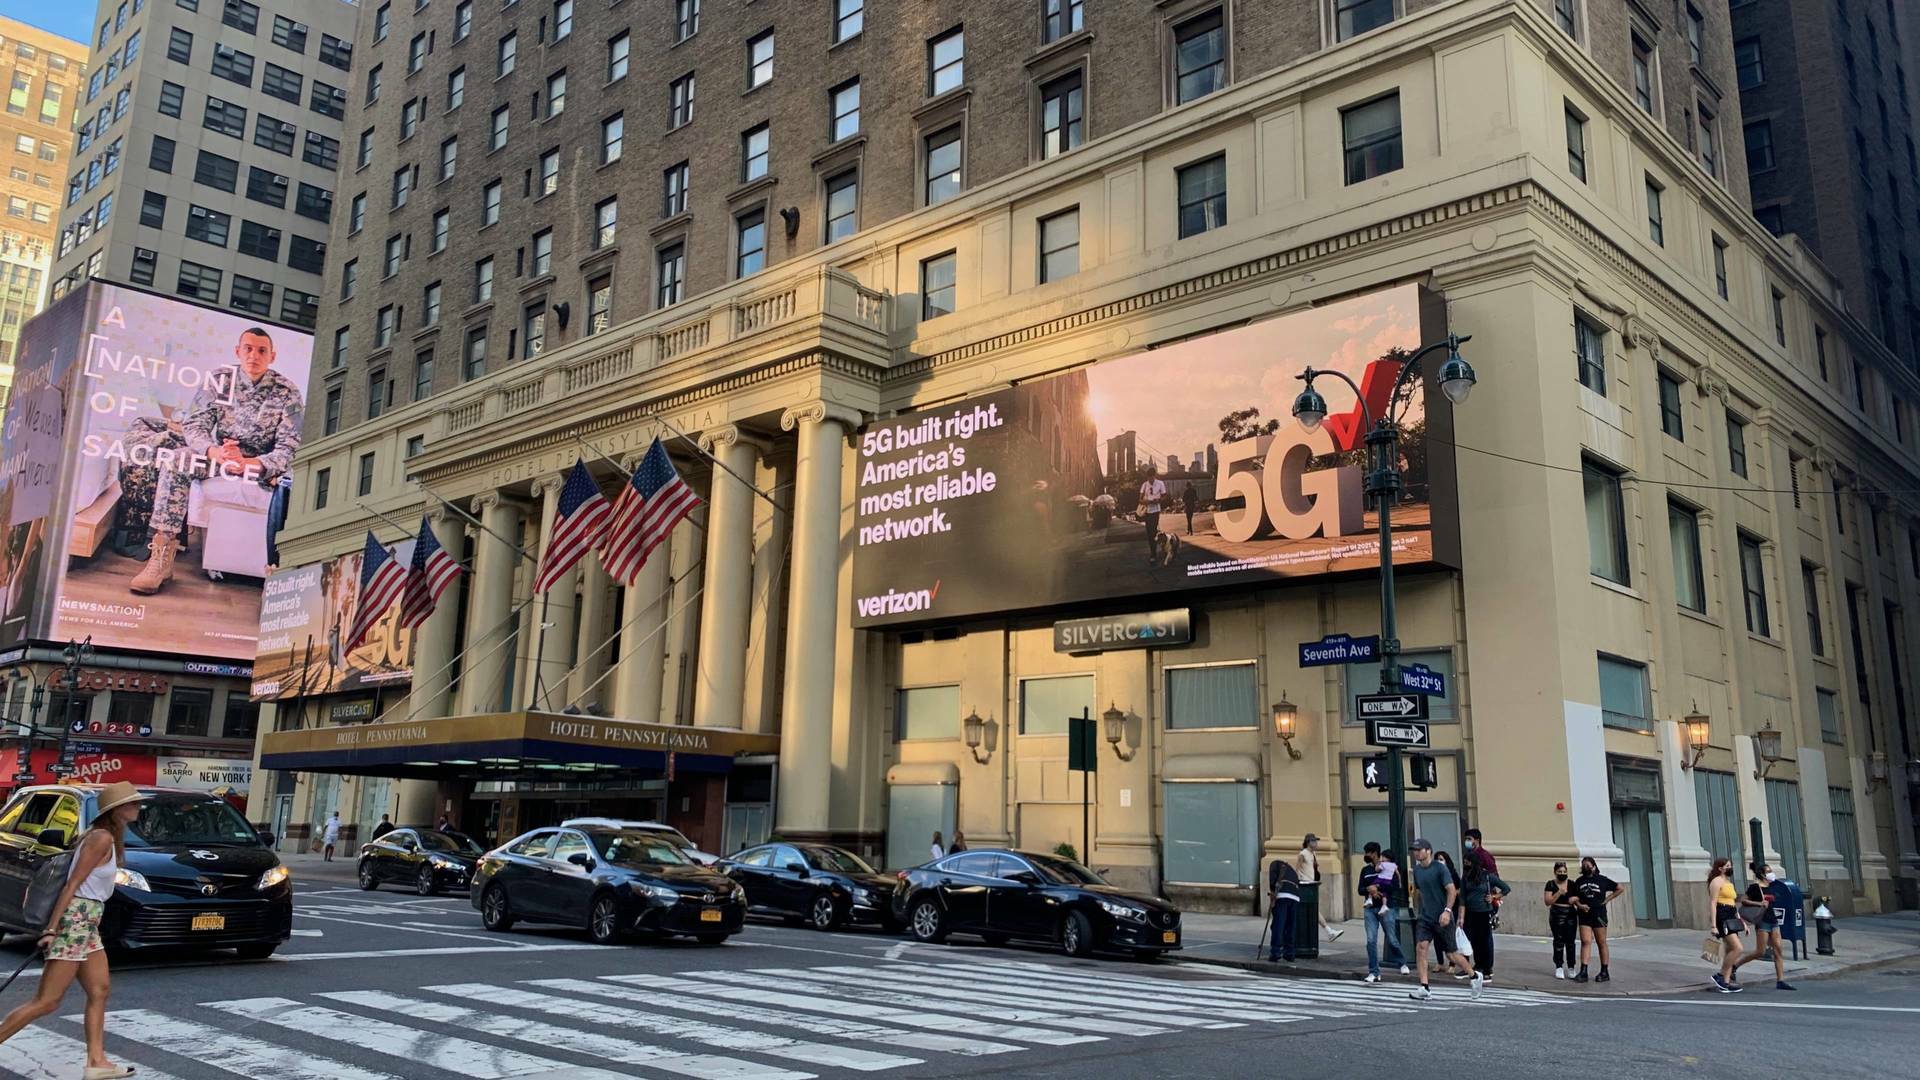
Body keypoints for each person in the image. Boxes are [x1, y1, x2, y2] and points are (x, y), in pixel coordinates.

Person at [129, 327, 304, 595]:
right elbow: (195, 424)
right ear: (237, 351)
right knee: (179, 459)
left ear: (272, 356)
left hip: (258, 466)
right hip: (220, 455)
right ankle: (161, 557)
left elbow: (289, 447)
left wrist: (250, 463)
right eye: (247, 348)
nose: (253, 356)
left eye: (261, 351)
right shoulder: (220, 379)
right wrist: (214, 452)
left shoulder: (287, 392)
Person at [0, 780, 149, 1079]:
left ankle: (97, 1062)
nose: (138, 807)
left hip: (88, 921)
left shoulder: (106, 837)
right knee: (47, 1001)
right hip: (77, 919)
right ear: (117, 810)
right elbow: (72, 885)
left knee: (99, 989)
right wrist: (52, 927)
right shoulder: (101, 839)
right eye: (133, 803)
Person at [1406, 839, 1481, 1000]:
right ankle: (1424, 987)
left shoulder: (1440, 869)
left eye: (1419, 850)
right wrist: (1417, 908)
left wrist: (1447, 911)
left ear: (1428, 851)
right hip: (1426, 917)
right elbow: (1418, 891)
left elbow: (1452, 891)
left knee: (1452, 954)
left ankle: (1474, 976)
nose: (1416, 853)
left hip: (1442, 917)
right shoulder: (1417, 871)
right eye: (1414, 850)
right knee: (1421, 947)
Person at [1734, 861, 1796, 991]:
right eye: (1768, 872)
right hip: (1763, 921)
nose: (1771, 874)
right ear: (1762, 874)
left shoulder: (1772, 886)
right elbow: (1743, 900)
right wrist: (1759, 904)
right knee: (1760, 951)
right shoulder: (1755, 887)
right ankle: (1736, 965)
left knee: (1778, 949)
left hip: (1773, 919)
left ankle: (1781, 980)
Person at [1357, 842, 1408, 982]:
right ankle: (1374, 971)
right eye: (1365, 852)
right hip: (1370, 908)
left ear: (1375, 853)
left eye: (1369, 852)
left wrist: (1377, 887)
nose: (1366, 855)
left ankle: (1402, 962)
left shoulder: (1388, 867)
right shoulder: (1365, 870)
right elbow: (1360, 889)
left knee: (1391, 938)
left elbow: (1395, 886)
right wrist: (1369, 889)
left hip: (1386, 907)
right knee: (1370, 940)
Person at [1459, 847, 1510, 981]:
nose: (1466, 866)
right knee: (1473, 941)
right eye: (1464, 863)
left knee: (1484, 941)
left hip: (1483, 911)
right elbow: (1462, 898)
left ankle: (1487, 968)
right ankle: (1478, 965)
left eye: (1468, 863)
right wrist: (1461, 917)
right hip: (1471, 912)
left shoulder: (1487, 876)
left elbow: (1505, 888)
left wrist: (1494, 897)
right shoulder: (1465, 878)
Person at [1571, 855, 1624, 983]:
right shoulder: (1579, 881)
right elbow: (1574, 898)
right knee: (1585, 941)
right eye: (1584, 865)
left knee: (1601, 942)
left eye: (1588, 865)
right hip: (1584, 914)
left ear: (1594, 867)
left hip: (1599, 914)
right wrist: (1579, 905)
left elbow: (1620, 888)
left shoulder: (1602, 880)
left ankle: (1604, 971)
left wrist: (1606, 900)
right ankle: (1584, 970)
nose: (1586, 867)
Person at [1295, 834, 1345, 942]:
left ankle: (1328, 931)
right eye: (1314, 841)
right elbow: (1297, 868)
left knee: (1313, 909)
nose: (1316, 843)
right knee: (1313, 909)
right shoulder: (1303, 854)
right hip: (1305, 884)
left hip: (1311, 883)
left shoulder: (1313, 854)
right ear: (1309, 842)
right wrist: (1297, 882)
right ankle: (1328, 931)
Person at [1708, 856, 1745, 993]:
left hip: (1731, 914)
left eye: (1730, 865)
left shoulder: (1728, 882)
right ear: (1720, 868)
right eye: (1727, 866)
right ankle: (1720, 975)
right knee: (1738, 948)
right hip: (1722, 914)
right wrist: (1713, 925)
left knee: (1730, 949)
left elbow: (1733, 903)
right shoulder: (1716, 882)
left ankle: (1726, 982)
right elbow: (1713, 903)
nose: (1730, 868)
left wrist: (1741, 920)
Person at [1544, 860, 1581, 979]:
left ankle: (1571, 966)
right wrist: (1559, 893)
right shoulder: (1550, 884)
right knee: (1558, 940)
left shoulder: (1572, 884)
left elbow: (1579, 897)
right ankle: (1559, 966)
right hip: (1557, 913)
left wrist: (1575, 899)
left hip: (1570, 913)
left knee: (1570, 942)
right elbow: (1547, 902)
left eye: (1564, 871)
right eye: (1559, 871)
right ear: (1555, 872)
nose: (1562, 873)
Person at [1267, 855, 1302, 963]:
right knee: (1290, 926)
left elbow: (1273, 884)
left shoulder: (1273, 865)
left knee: (1278, 924)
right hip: (1295, 896)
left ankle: (1275, 952)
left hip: (1282, 895)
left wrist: (1273, 897)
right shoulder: (1289, 869)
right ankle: (1290, 953)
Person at [1137, 464, 1167, 563]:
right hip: (1147, 512)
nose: (1151, 480)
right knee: (1149, 533)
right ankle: (1155, 550)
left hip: (1155, 511)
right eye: (1149, 478)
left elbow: (1164, 497)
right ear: (1147, 477)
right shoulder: (1144, 485)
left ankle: (1153, 554)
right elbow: (1140, 500)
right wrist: (1147, 501)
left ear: (1155, 476)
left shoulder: (1160, 483)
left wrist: (1158, 500)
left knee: (1153, 532)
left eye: (1152, 477)